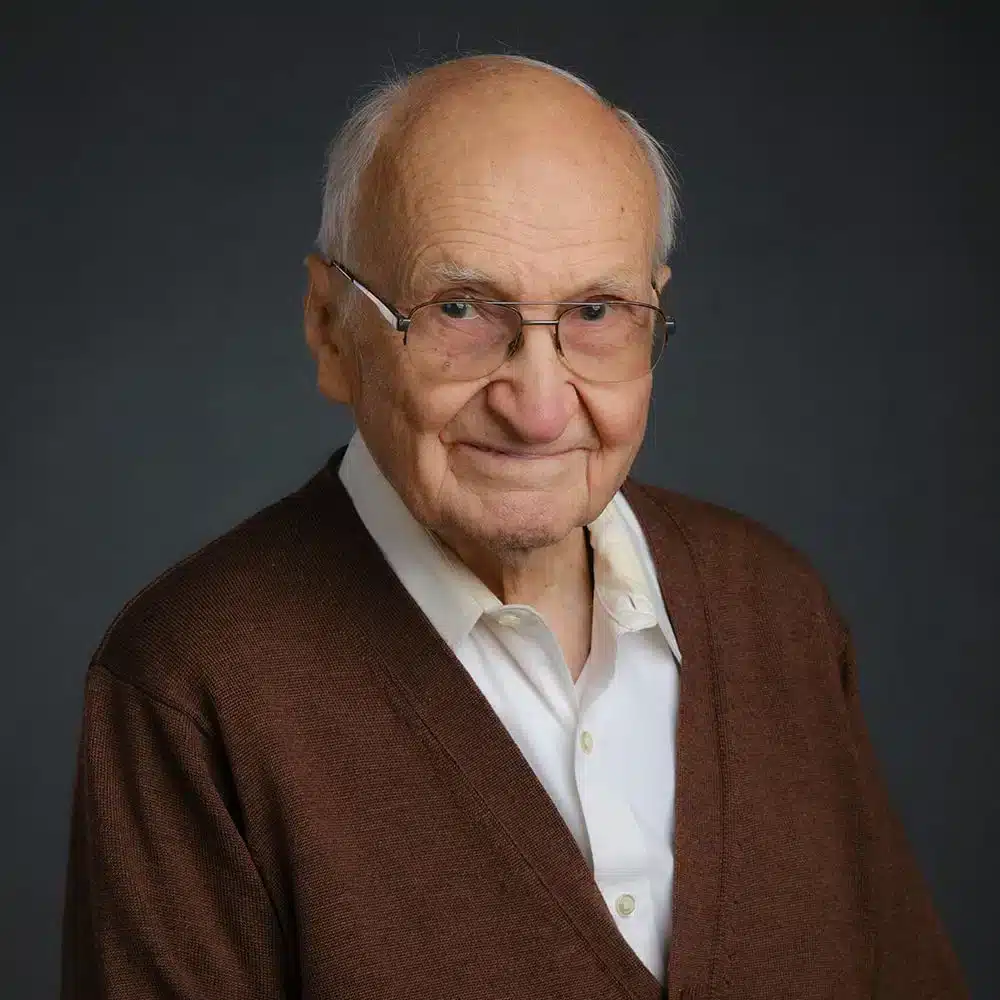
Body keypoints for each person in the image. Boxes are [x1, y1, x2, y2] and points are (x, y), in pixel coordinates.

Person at [61, 54, 967, 999]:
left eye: (596, 311)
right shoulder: (190, 680)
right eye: (459, 309)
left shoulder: (772, 606)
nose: (538, 406)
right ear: (331, 327)